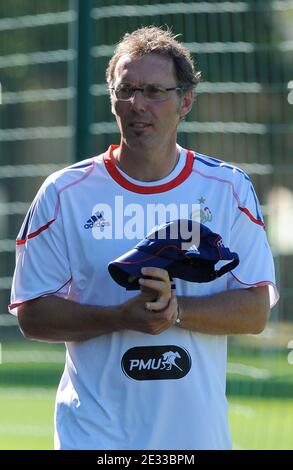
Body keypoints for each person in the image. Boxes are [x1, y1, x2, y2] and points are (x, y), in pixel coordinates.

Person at [9, 26, 278, 450]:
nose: (137, 104)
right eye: (126, 90)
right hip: (93, 437)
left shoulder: (227, 189)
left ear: (184, 101)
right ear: (112, 98)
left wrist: (175, 312)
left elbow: (254, 309)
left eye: (154, 91)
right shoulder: (64, 193)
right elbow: (32, 314)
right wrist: (121, 316)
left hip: (194, 440)